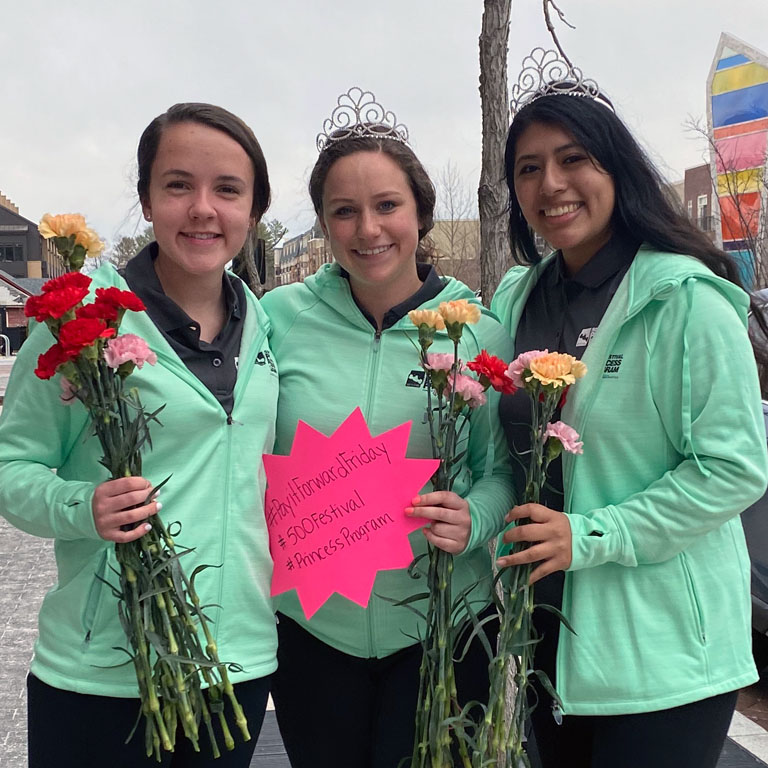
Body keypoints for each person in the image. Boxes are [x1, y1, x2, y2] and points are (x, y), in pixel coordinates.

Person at [492, 49, 768, 768]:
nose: (550, 184)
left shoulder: (687, 299)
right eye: (527, 168)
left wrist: (590, 537)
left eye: (572, 157)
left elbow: (734, 468)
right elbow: (500, 450)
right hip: (550, 642)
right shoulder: (518, 299)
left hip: (661, 658)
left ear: (616, 167)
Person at [0, 103, 279, 768]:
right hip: (101, 673)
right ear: (147, 201)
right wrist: (81, 507)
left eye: (228, 189)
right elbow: (12, 465)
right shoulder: (82, 321)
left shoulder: (268, 326)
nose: (203, 209)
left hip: (230, 667)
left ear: (253, 210)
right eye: (178, 184)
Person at [260, 87, 514, 768]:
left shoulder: (475, 330)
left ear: (421, 213)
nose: (367, 229)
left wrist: (476, 519)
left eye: (386, 206)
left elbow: (501, 471)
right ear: (322, 223)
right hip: (314, 636)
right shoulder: (278, 319)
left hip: (443, 631)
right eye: (344, 211)